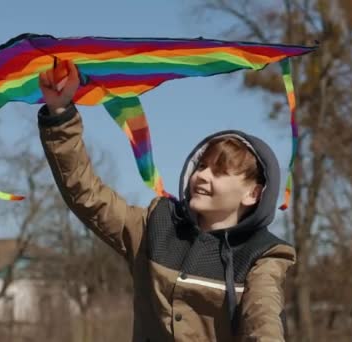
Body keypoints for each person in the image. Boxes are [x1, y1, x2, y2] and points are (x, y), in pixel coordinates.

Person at [37, 60, 295, 341]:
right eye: (202, 166)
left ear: (253, 194)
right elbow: (86, 194)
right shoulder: (155, 225)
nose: (202, 176)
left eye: (219, 172)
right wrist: (60, 113)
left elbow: (263, 318)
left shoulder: (262, 256)